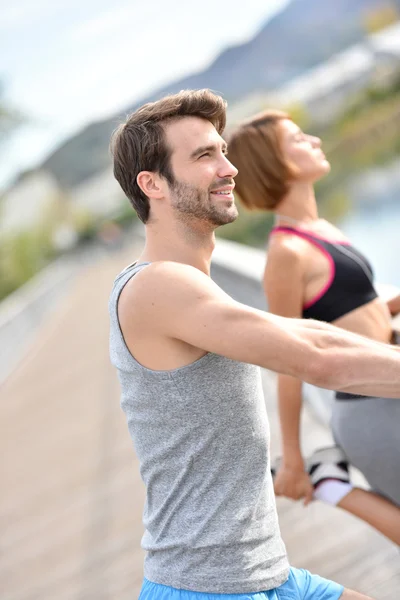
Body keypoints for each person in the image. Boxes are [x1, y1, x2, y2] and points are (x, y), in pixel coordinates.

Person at [108, 89, 400, 600]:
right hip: (206, 588)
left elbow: (312, 333)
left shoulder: (188, 282)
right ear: (151, 183)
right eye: (204, 155)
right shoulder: (155, 287)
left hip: (268, 575)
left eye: (223, 150)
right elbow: (319, 360)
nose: (229, 168)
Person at [227, 109, 400, 545]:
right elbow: (289, 360)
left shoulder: (320, 229)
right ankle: (331, 486)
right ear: (274, 164)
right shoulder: (286, 253)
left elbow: (356, 311)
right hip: (370, 407)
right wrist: (294, 460)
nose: (316, 141)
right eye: (299, 140)